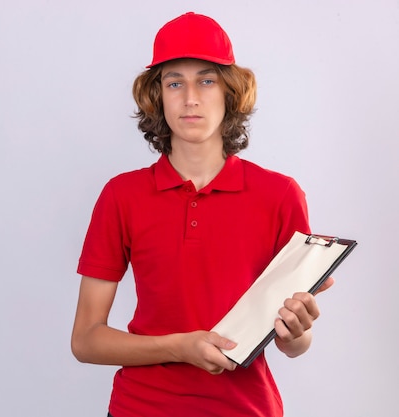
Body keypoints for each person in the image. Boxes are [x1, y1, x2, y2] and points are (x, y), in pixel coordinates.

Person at [71, 11, 334, 417]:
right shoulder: (121, 195)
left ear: (229, 91)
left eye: (206, 80)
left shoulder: (279, 195)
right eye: (175, 82)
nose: (190, 97)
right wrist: (178, 347)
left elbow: (293, 344)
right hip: (140, 408)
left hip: (245, 409)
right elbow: (86, 341)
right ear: (156, 95)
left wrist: (298, 331)